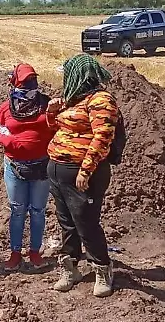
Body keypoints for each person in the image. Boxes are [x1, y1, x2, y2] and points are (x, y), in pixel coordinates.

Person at [46, 54, 120, 298]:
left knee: (86, 223)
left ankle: (102, 269)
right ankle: (70, 268)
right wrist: (52, 112)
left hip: (83, 173)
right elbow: (58, 128)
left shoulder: (101, 100)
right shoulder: (73, 99)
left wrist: (86, 170)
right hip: (58, 170)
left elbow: (103, 138)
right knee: (67, 223)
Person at [0, 63, 57, 270]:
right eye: (26, 81)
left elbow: (57, 126)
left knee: (37, 210)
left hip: (41, 167)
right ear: (16, 82)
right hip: (14, 166)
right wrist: (10, 142)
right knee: (18, 210)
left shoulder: (46, 105)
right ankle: (15, 253)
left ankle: (35, 252)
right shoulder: (6, 108)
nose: (31, 85)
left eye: (33, 80)